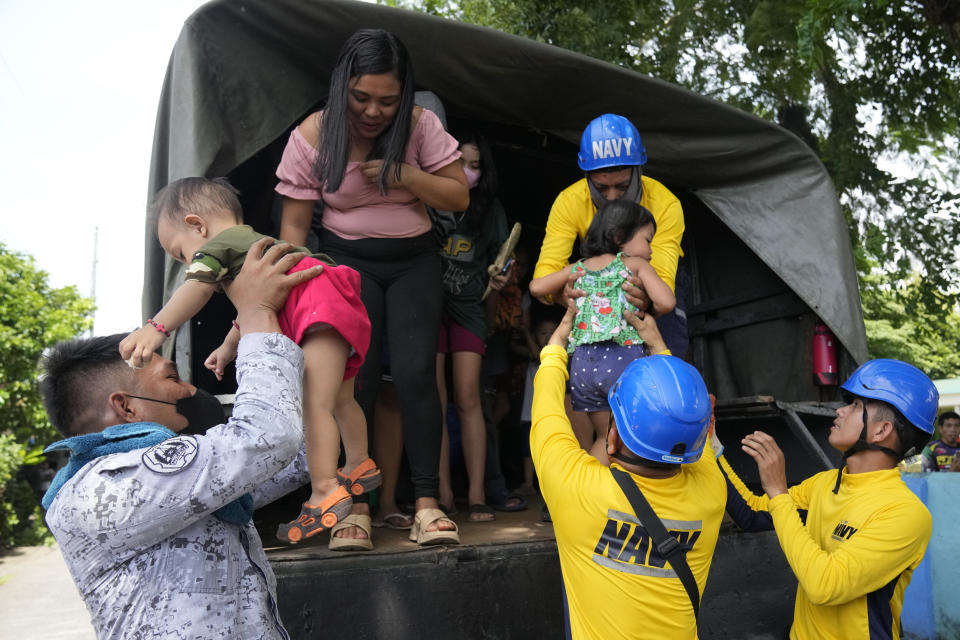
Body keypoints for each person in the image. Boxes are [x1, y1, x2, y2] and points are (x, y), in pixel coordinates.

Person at [40, 239, 319, 639]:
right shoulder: (107, 488)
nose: (190, 390)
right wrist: (256, 314)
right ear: (126, 408)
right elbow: (267, 439)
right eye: (171, 378)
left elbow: (295, 457)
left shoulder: (185, 486)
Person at [275, 28, 468, 545]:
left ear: (405, 95)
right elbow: (294, 230)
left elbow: (457, 196)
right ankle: (355, 507)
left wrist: (407, 175)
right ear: (342, 87)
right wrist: (295, 291)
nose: (373, 111)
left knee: (414, 376)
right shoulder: (313, 136)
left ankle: (426, 504)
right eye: (361, 97)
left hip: (414, 262)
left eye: (388, 100)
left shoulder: (422, 126)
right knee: (348, 385)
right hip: (343, 264)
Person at [118, 178, 380, 549]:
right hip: (333, 300)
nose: (186, 262)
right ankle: (359, 463)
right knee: (340, 400)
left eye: (179, 253)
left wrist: (157, 327)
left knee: (313, 405)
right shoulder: (254, 245)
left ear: (197, 225)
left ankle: (325, 489)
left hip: (314, 309)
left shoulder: (218, 246)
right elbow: (252, 306)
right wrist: (228, 347)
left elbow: (198, 287)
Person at [531, 296, 726, 639]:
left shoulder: (575, 488)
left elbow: (547, 406)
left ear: (613, 436)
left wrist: (556, 345)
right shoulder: (711, 493)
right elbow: (693, 426)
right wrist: (659, 345)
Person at [718, 359, 936, 639]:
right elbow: (750, 513)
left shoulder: (905, 513)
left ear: (882, 430)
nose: (841, 410)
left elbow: (824, 585)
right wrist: (709, 442)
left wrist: (778, 491)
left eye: (856, 405)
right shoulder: (824, 484)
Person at [530, 199, 675, 462]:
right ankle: (627, 496)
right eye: (648, 240)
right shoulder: (634, 265)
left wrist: (565, 292)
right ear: (620, 236)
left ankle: (592, 493)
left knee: (603, 436)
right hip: (622, 361)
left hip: (584, 366)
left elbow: (537, 287)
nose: (651, 250)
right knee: (631, 437)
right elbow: (667, 302)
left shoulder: (579, 268)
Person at [531, 113, 687, 356]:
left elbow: (664, 280)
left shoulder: (666, 203)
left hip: (650, 282)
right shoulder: (568, 201)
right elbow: (546, 271)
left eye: (622, 187)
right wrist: (563, 294)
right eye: (602, 188)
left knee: (669, 359)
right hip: (593, 287)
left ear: (639, 173)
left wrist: (647, 301)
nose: (612, 197)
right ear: (587, 177)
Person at [436, 132, 510, 522]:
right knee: (434, 399)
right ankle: (444, 494)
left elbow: (505, 257)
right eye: (459, 162)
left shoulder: (490, 208)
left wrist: (500, 279)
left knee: (468, 398)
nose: (467, 171)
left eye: (475, 165)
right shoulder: (430, 197)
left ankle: (477, 494)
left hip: (470, 309)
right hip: (430, 307)